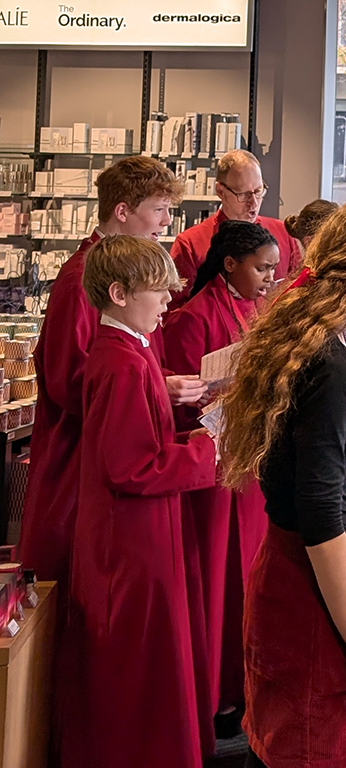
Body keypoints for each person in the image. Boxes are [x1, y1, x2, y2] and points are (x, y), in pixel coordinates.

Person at [220, 194, 346, 768]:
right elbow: (322, 512)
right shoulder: (331, 357)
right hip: (315, 584)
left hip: (293, 568)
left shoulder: (311, 327)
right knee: (314, 748)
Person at [62, 235, 218, 768]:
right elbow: (131, 466)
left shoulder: (134, 348)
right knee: (140, 661)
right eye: (158, 291)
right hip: (131, 538)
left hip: (140, 528)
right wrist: (206, 450)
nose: (169, 301)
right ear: (119, 293)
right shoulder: (124, 361)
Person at [23, 156, 207, 602]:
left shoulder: (129, 273)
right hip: (82, 456)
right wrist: (156, 387)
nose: (166, 223)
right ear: (122, 211)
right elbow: (70, 379)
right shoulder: (81, 277)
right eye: (159, 209)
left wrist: (162, 381)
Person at [163, 220, 279, 744]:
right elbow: (181, 402)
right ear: (230, 264)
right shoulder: (193, 318)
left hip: (250, 462)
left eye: (275, 269)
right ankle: (214, 691)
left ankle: (244, 682)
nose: (270, 279)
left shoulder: (263, 310)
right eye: (262, 268)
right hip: (212, 469)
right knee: (218, 581)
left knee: (251, 579)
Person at [170, 149, 301, 307]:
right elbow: (176, 312)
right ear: (220, 191)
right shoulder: (190, 244)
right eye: (243, 194)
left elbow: (299, 293)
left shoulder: (284, 233)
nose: (253, 203)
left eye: (258, 191)